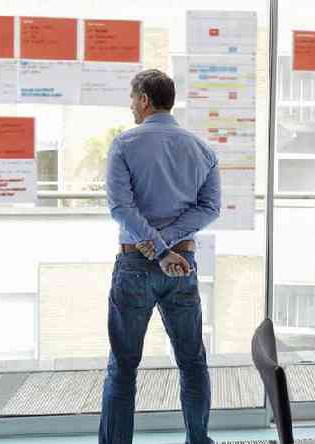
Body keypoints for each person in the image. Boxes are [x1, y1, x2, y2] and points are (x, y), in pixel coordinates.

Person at [99, 69, 221, 444]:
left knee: (123, 366)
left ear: (145, 100)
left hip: (135, 264)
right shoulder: (202, 150)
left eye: (132, 98)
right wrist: (168, 247)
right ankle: (198, 441)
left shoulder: (124, 145)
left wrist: (155, 245)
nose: (131, 105)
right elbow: (210, 208)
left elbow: (121, 208)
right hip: (181, 267)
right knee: (192, 361)